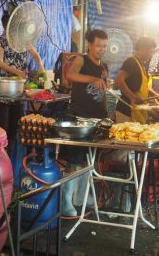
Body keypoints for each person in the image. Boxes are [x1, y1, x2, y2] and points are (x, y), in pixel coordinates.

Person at [61, 29, 108, 216]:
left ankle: (81, 196)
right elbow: (70, 76)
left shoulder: (104, 66)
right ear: (89, 44)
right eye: (98, 45)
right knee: (74, 159)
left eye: (104, 46)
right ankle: (66, 201)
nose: (102, 49)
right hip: (79, 117)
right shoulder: (81, 59)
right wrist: (92, 78)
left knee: (88, 159)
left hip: (97, 119)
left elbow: (104, 89)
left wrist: (106, 115)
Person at [0, 11, 44, 147]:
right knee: (2, 123)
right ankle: (2, 152)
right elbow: (0, 63)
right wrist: (17, 72)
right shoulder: (1, 41)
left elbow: (35, 55)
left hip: (19, 89)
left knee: (17, 122)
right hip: (3, 89)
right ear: (6, 26)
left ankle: (15, 151)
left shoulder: (23, 40)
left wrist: (41, 66)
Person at [115, 36, 159, 124]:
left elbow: (144, 87)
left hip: (137, 110)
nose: (151, 55)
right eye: (151, 52)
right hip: (127, 110)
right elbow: (118, 81)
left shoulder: (141, 64)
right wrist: (132, 97)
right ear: (143, 49)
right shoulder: (131, 62)